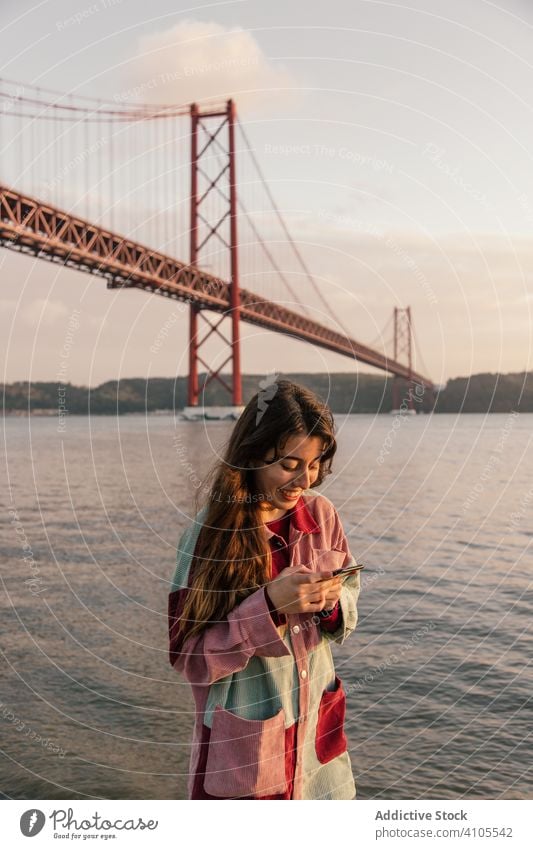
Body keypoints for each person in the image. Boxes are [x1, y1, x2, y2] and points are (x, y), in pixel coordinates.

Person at [168, 379, 361, 799]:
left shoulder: (323, 516)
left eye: (314, 465)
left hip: (318, 763)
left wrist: (330, 605)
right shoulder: (207, 536)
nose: (303, 480)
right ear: (252, 452)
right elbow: (190, 660)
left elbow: (348, 602)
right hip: (247, 770)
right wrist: (270, 605)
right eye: (289, 464)